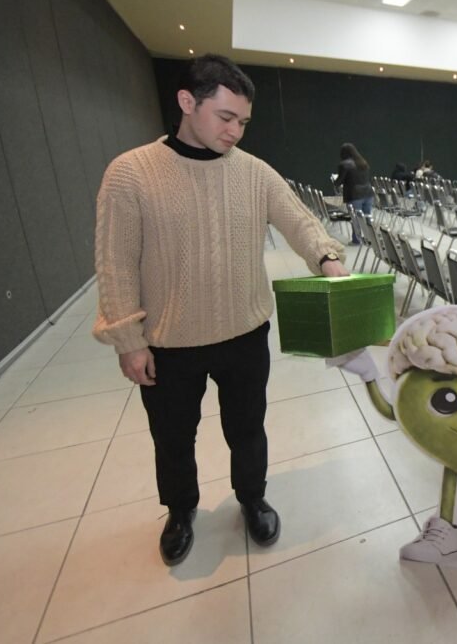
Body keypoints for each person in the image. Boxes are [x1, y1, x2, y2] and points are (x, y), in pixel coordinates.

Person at [92, 54, 349, 567]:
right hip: (168, 342)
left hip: (244, 333)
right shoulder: (131, 173)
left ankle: (253, 498)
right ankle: (180, 510)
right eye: (225, 117)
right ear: (187, 102)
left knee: (248, 428)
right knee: (172, 437)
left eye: (243, 122)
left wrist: (327, 259)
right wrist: (129, 341)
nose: (235, 131)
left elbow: (298, 220)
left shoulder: (254, 172)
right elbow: (115, 263)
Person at [336, 142, 372, 245]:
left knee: (355, 218)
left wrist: (335, 182)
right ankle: (371, 238)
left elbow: (339, 181)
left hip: (354, 195)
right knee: (368, 218)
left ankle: (356, 240)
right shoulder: (363, 162)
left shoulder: (344, 164)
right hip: (368, 193)